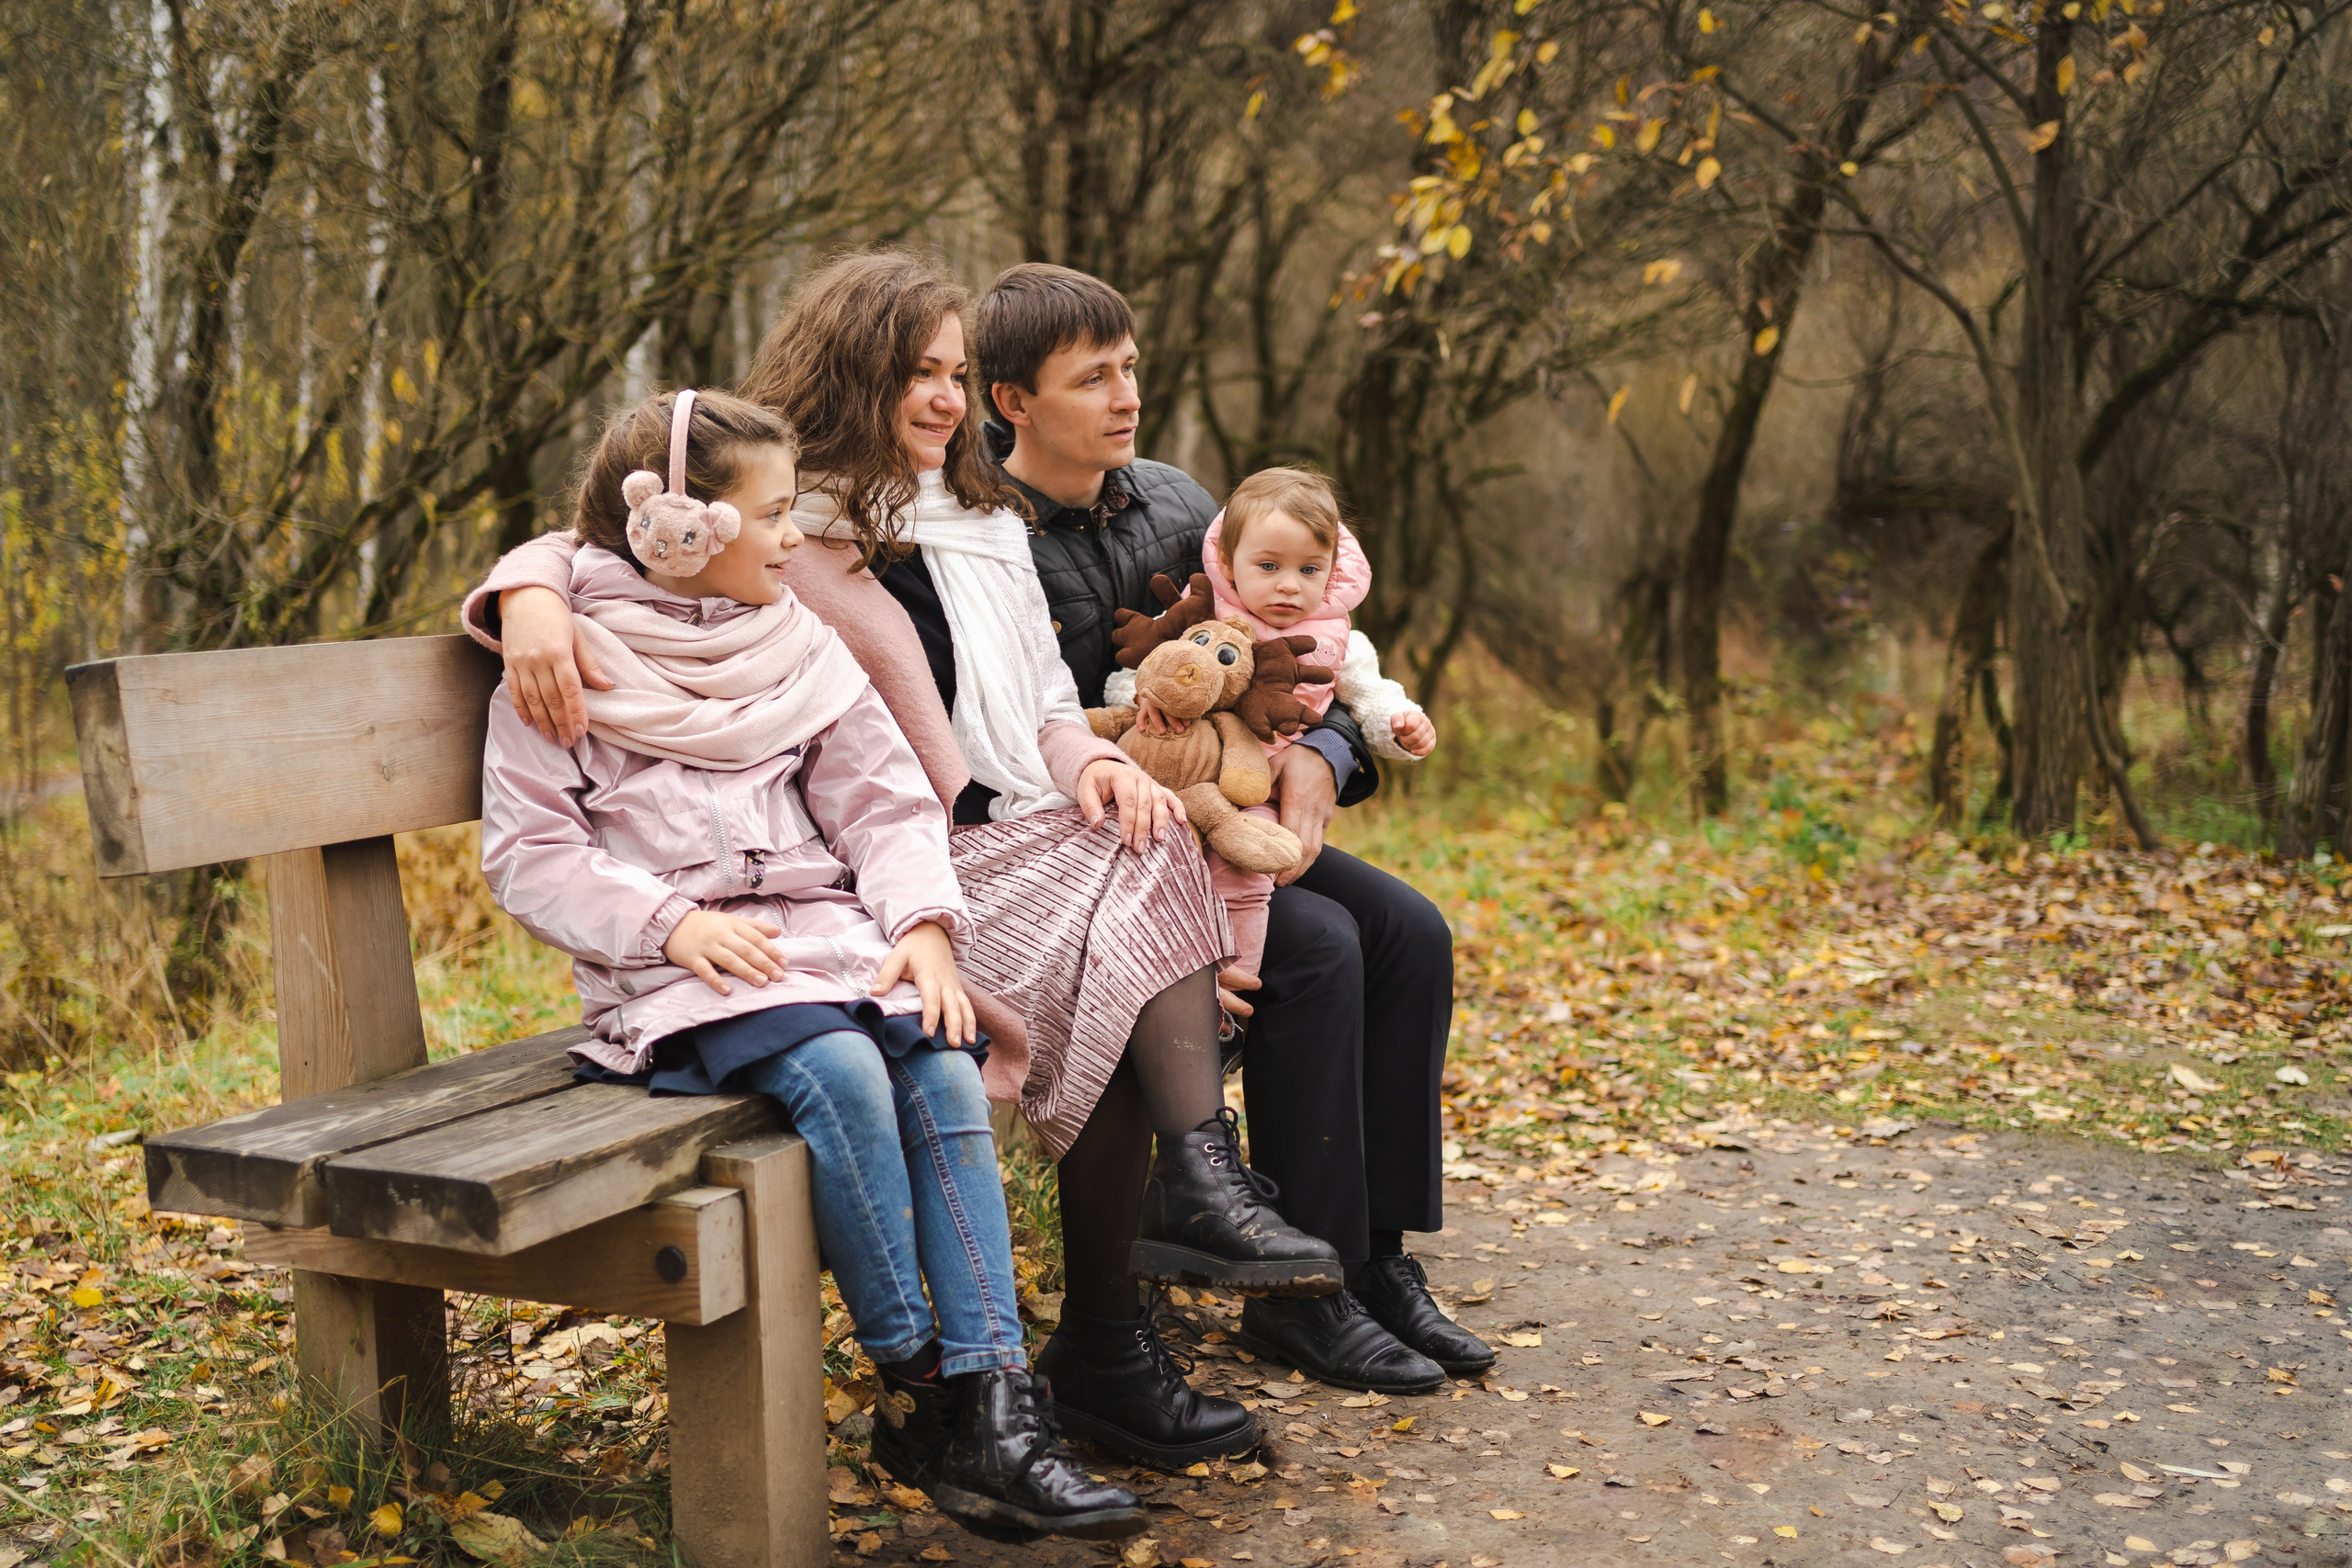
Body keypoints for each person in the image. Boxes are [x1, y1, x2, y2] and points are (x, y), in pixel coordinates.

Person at [465, 254, 1340, 1473]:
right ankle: (974, 1372)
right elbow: (594, 536)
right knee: (1097, 944)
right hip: (785, 923)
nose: (948, 398)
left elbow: (938, 752)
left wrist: (1070, 774)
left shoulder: (943, 527)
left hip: (881, 896)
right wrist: (532, 596)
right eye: (919, 373)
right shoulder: (774, 530)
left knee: (1138, 856)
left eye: (956, 373)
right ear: (855, 372)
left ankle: (1091, 1319)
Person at [476, 387, 1141, 1541]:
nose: (794, 540)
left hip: (823, 943)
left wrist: (924, 927)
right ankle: (917, 1381)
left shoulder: (793, 640)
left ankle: (998, 1402)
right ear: (678, 533)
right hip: (683, 969)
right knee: (837, 1067)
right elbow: (531, 852)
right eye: (772, 515)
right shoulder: (560, 665)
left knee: (940, 1053)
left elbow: (882, 803)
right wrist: (667, 925)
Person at [974, 264, 1495, 1390]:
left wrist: (1328, 756)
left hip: (1223, 823)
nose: (1126, 397)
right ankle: (1296, 1296)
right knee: (1316, 948)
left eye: (1132, 369)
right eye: (1093, 377)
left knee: (1409, 931)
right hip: (1093, 862)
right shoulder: (982, 538)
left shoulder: (1176, 503)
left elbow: (1299, 656)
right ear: (1012, 399)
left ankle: (1370, 1261)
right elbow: (1012, 758)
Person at [1104, 466, 1435, 983]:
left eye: (1309, 570)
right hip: (1186, 778)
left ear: (1333, 571)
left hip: (1262, 792)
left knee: (1248, 873)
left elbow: (1370, 698)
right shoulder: (1205, 620)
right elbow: (1148, 670)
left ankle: (1232, 982)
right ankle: (1176, 981)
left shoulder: (1339, 640)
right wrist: (1144, 699)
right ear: (1230, 567)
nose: (1288, 585)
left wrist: (1401, 725)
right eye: (1268, 565)